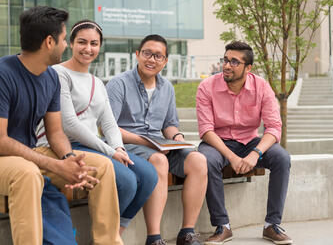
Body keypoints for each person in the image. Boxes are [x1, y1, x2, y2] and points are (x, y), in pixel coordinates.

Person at [0, 6, 122, 245]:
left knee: (102, 166)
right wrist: (56, 165)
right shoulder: (4, 74)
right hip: (6, 156)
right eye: (65, 39)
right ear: (49, 42)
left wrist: (69, 160)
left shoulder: (51, 78)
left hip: (29, 153)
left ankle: (108, 242)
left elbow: (55, 132)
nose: (66, 45)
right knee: (27, 174)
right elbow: (1, 140)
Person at [37, 19, 158, 233]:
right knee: (127, 181)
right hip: (63, 146)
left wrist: (119, 148)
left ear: (100, 47)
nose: (88, 48)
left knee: (148, 174)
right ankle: (105, 236)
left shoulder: (97, 82)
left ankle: (114, 233)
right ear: (71, 43)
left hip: (92, 145)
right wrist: (110, 152)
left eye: (94, 43)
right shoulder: (58, 74)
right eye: (82, 42)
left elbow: (109, 123)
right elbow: (70, 124)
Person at [106, 34, 208, 245]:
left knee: (198, 160)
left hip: (159, 145)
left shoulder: (167, 88)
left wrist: (177, 138)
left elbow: (169, 124)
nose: (151, 59)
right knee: (159, 161)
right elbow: (110, 128)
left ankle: (186, 232)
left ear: (165, 61)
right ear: (137, 54)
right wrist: (149, 143)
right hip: (130, 145)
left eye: (158, 56)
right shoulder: (118, 84)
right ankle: (154, 238)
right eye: (147, 53)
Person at [196, 41, 292, 245]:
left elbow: (274, 127)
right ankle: (223, 226)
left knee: (282, 158)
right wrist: (231, 156)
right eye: (225, 60)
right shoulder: (207, 87)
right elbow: (206, 130)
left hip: (250, 142)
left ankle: (271, 225)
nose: (227, 66)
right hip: (218, 143)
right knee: (205, 159)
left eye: (234, 62)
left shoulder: (262, 87)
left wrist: (255, 153)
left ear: (248, 68)